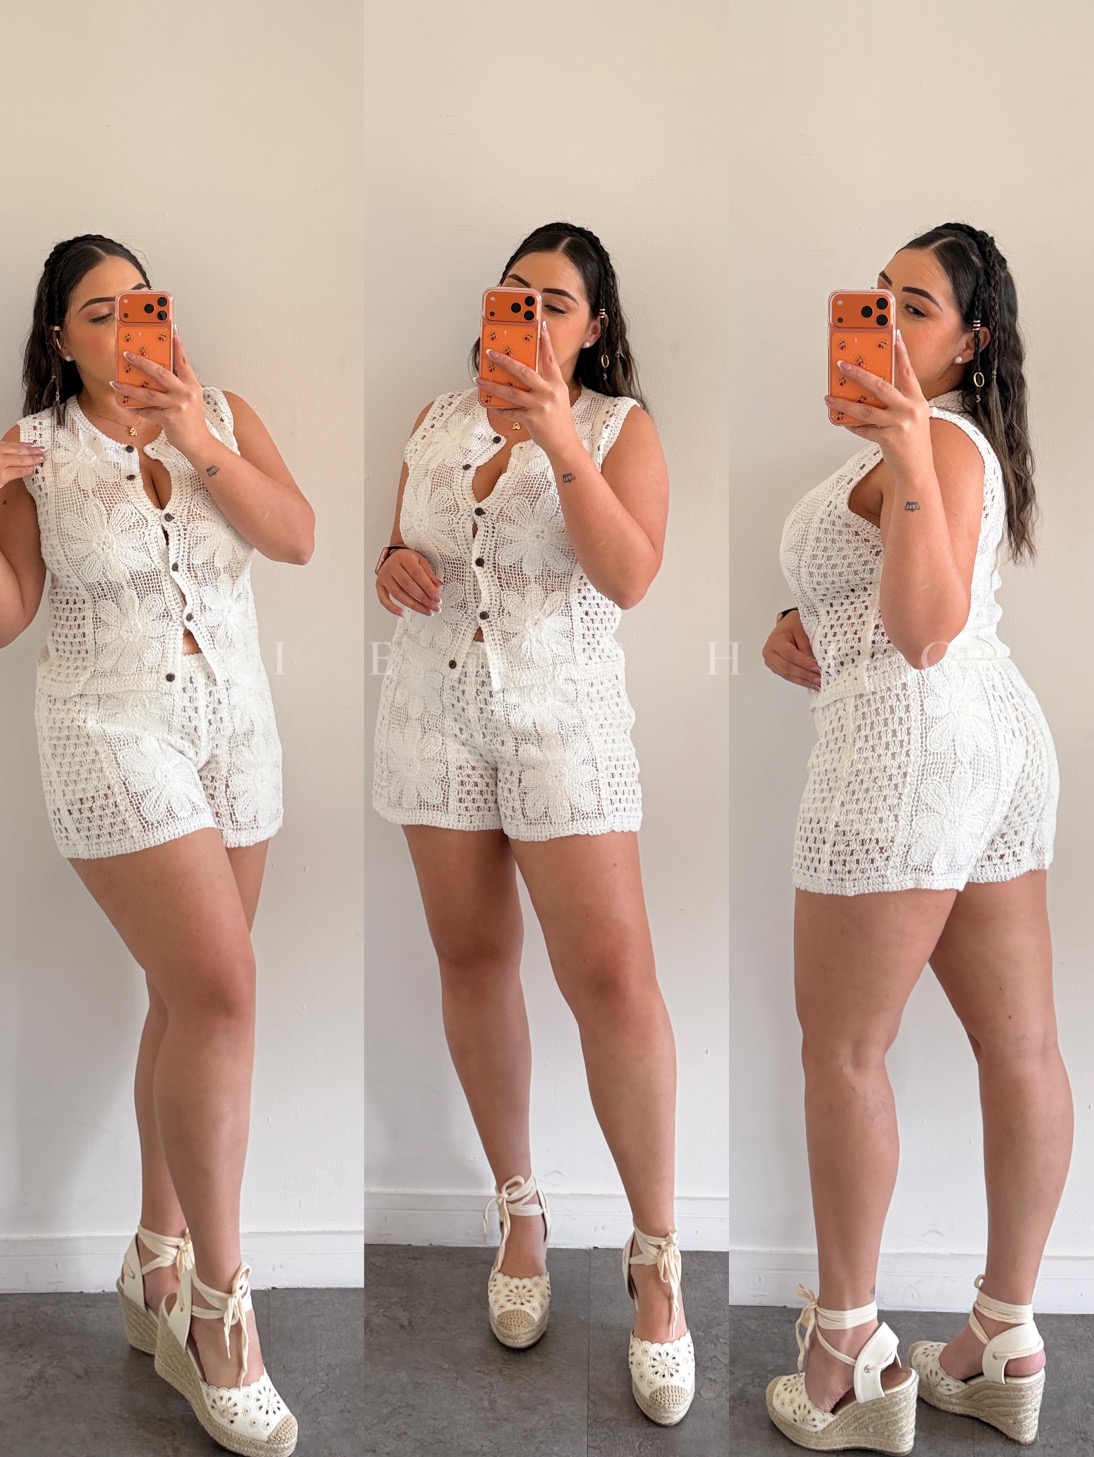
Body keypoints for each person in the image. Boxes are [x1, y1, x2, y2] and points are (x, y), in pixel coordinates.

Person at [372, 221, 694, 1425]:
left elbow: (628, 575)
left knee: (612, 981)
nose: (532, 315)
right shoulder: (432, 417)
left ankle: (655, 1257)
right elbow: (409, 546)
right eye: (515, 294)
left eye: (557, 301)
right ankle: (518, 1209)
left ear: (595, 325)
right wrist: (390, 564)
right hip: (431, 714)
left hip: (564, 724)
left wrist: (557, 433)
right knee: (469, 958)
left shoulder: (618, 427)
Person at [0, 234, 314, 1456]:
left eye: (143, 301)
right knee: (223, 990)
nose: (129, 322)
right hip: (105, 730)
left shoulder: (220, 413)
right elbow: (11, 614)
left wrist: (193, 431)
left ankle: (152, 1256)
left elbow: (294, 536)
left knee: (186, 1002)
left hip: (235, 735)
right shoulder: (34, 451)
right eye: (99, 310)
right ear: (61, 338)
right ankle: (219, 1315)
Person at [761, 223, 1071, 1452]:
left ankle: (844, 1356)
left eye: (916, 306)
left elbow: (922, 629)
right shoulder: (949, 443)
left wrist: (896, 446)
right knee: (1020, 1044)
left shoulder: (929, 440)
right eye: (876, 296)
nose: (886, 319)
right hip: (991, 745)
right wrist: (804, 620)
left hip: (905, 751)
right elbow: (899, 597)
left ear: (970, 341)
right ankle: (1001, 1334)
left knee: (842, 1049)